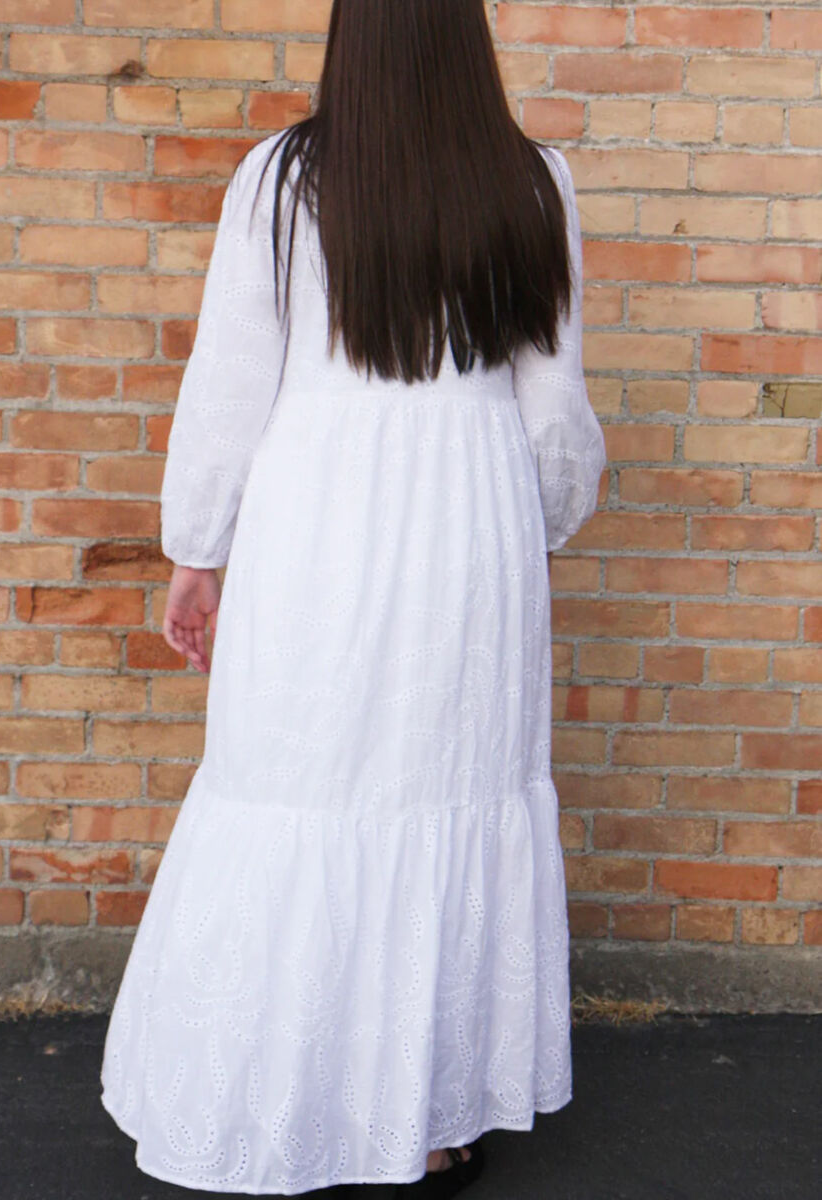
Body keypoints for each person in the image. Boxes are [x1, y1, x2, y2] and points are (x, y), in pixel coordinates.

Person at [100, 1, 606, 1196]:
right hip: (470, 518)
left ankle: (278, 1101)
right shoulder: (532, 183)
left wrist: (197, 550)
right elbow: (552, 411)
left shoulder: (281, 180)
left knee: (299, 784)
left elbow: (230, 381)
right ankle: (423, 1122)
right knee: (445, 789)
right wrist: (534, 527)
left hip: (314, 518)